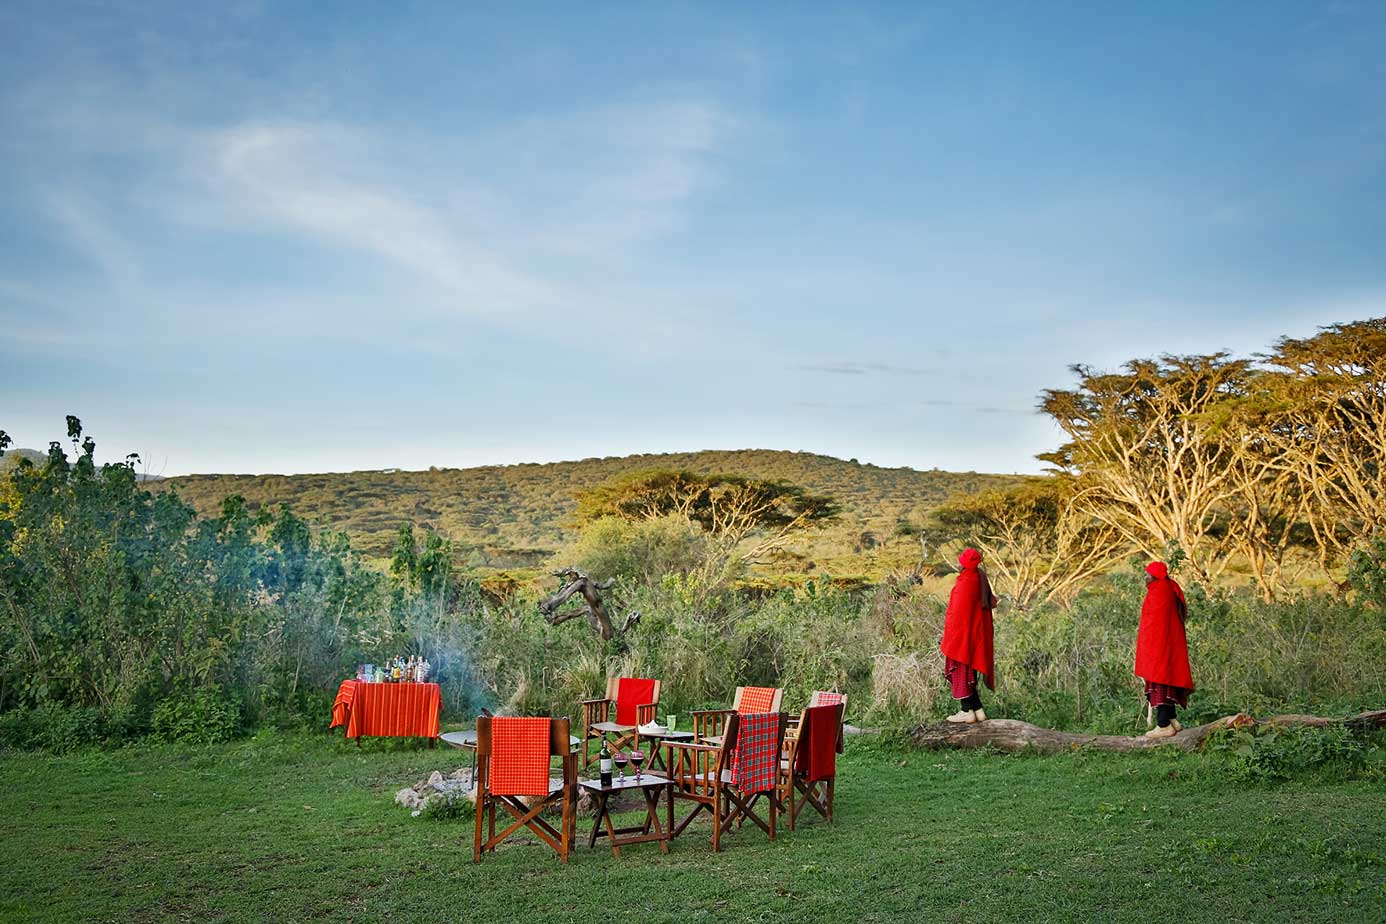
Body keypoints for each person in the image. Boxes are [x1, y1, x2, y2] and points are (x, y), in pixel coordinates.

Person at [1135, 561, 1193, 739]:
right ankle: (1172, 719)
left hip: (1159, 646)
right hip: (1166, 644)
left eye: (1148, 575)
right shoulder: (1169, 588)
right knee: (1166, 677)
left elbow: (1155, 624)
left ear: (1155, 577)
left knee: (1159, 679)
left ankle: (1163, 724)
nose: (1145, 578)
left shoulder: (1160, 591)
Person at [940, 548, 997, 723]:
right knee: (968, 670)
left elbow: (957, 613)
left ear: (964, 563)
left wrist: (951, 637)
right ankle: (978, 709)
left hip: (962, 635)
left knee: (961, 668)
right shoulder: (980, 578)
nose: (958, 563)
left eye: (961, 560)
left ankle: (966, 711)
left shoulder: (966, 580)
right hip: (974, 635)